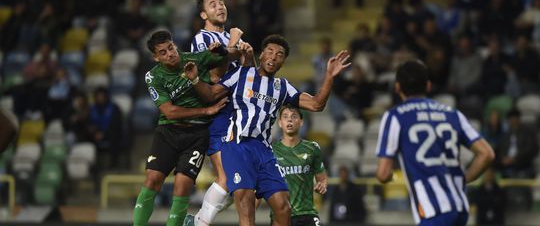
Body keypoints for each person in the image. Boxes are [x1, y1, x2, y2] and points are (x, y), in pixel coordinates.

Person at [183, 34, 350, 226]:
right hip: (237, 146)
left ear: (283, 62)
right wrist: (195, 79)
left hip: (264, 150)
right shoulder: (241, 74)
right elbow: (210, 94)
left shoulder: (283, 86)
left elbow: (316, 104)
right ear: (261, 55)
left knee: (283, 207)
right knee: (246, 204)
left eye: (279, 55)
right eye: (269, 51)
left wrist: (329, 76)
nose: (273, 56)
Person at [133, 30, 245, 226]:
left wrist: (222, 51)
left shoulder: (194, 59)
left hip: (196, 135)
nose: (170, 54)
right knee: (152, 180)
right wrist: (206, 110)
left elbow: (234, 55)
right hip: (169, 132)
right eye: (163, 52)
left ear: (174, 44)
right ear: (155, 57)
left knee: (182, 186)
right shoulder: (153, 77)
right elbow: (170, 112)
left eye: (171, 48)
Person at [375, 60, 495, 226]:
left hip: (433, 211)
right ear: (428, 86)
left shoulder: (396, 116)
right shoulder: (452, 114)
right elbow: (487, 154)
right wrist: (462, 179)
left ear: (397, 87)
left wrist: (390, 176)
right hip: (460, 207)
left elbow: (382, 174)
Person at [185, 0, 253, 226]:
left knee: (242, 183)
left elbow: (246, 75)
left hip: (241, 113)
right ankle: (198, 223)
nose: (220, 6)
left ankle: (197, 220)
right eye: (213, 4)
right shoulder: (201, 39)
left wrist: (246, 56)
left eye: (222, 2)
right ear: (204, 14)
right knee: (227, 178)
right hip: (220, 111)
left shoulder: (231, 39)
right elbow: (215, 76)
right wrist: (234, 43)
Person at [271, 105, 328, 226]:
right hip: (281, 215)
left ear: (301, 122)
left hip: (307, 213)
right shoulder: (270, 151)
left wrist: (322, 184)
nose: (289, 120)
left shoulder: (312, 148)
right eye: (285, 117)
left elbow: (321, 177)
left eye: (294, 116)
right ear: (280, 123)